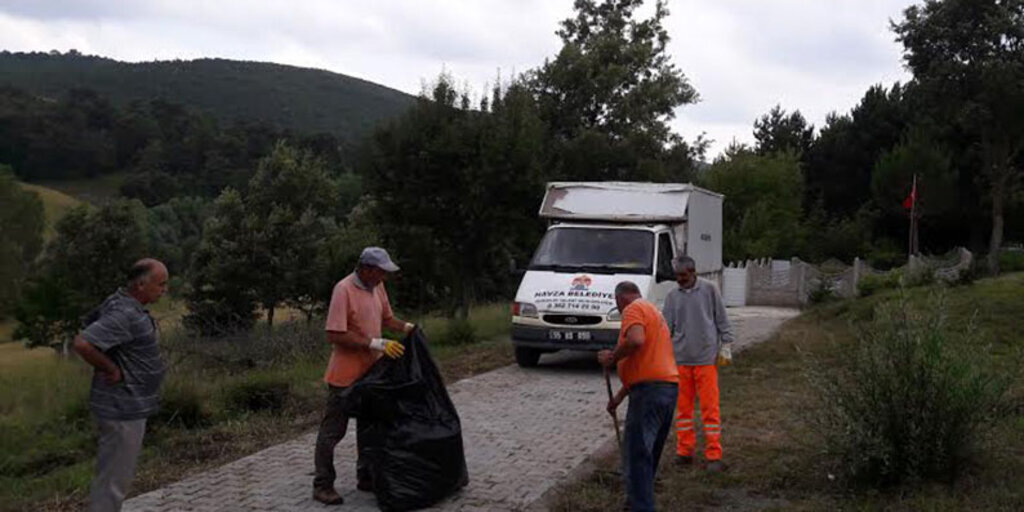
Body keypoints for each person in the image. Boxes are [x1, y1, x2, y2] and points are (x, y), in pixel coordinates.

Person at [313, 247, 416, 505]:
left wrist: (407, 328)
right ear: (367, 269)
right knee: (332, 432)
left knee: (370, 429)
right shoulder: (344, 289)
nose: (384, 277)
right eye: (381, 272)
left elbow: (388, 318)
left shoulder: (377, 287)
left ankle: (366, 475)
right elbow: (334, 334)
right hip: (344, 376)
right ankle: (323, 485)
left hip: (372, 374)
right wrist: (375, 344)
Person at [72, 259, 169, 512]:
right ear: (140, 284)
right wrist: (110, 368)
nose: (164, 290)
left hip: (128, 406)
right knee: (113, 483)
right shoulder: (124, 313)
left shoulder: (125, 305)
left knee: (115, 479)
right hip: (121, 409)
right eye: (161, 284)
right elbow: (83, 343)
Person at [598, 281, 679, 512]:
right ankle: (635, 502)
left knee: (637, 456)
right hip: (666, 389)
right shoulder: (653, 312)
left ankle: (640, 507)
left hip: (650, 393)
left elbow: (635, 340)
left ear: (619, 300)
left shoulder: (632, 309)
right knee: (647, 454)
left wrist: (613, 357)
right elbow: (647, 363)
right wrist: (620, 398)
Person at [661, 255, 734, 472]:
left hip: (705, 360)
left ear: (693, 272)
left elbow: (721, 318)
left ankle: (714, 454)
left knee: (710, 409)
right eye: (677, 276)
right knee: (683, 410)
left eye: (683, 276)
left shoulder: (710, 290)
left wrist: (726, 343)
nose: (679, 280)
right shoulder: (673, 296)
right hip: (681, 361)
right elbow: (666, 328)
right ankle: (685, 451)